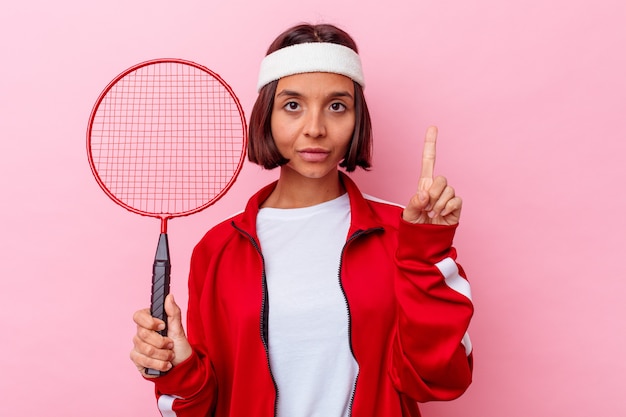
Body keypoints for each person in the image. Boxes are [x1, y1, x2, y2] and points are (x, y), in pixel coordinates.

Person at [130, 23, 474, 417]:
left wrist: (424, 252)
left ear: (357, 118)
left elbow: (442, 378)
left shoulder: (403, 234)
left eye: (337, 106)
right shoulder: (218, 248)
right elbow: (201, 408)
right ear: (267, 117)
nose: (315, 128)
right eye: (292, 105)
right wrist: (179, 368)